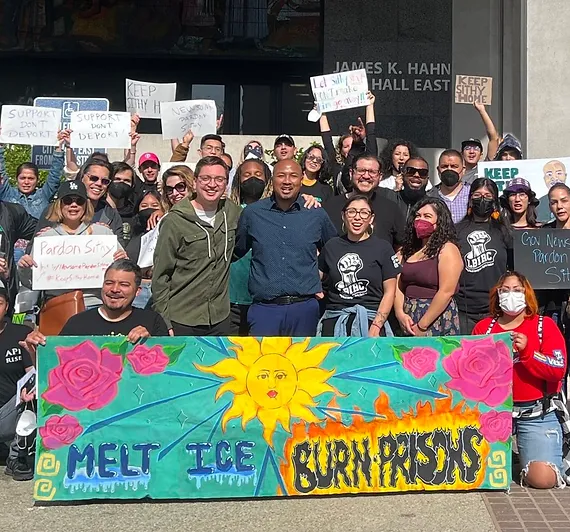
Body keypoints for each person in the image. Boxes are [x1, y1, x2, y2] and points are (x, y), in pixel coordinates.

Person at [473, 272, 568, 489]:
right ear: (497, 295)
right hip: (493, 413)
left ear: (527, 294)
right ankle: (512, 456)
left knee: (542, 479)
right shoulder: (484, 328)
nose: (510, 294)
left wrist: (528, 352)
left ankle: (546, 454)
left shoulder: (544, 326)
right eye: (505, 290)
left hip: (536, 413)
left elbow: (557, 369)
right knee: (476, 472)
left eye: (517, 290)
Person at [235, 159, 337, 336]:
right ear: (272, 179)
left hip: (304, 309)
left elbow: (335, 252)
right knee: (262, 363)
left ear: (302, 179)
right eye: (281, 176)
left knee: (303, 364)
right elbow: (236, 251)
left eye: (293, 176)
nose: (287, 181)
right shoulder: (253, 214)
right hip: (264, 310)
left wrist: (321, 281)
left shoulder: (315, 213)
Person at [152, 156, 241, 336]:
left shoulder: (233, 213)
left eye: (219, 179)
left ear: (226, 183)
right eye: (206, 178)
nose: (212, 184)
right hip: (182, 318)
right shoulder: (174, 221)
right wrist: (163, 320)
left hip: (220, 317)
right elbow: (161, 275)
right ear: (195, 182)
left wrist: (305, 199)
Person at [18, 181, 127, 310]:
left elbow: (124, 273)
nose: (74, 205)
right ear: (59, 205)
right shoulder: (45, 239)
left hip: (96, 305)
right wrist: (24, 268)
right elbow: (29, 283)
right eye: (68, 200)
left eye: (79, 201)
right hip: (57, 306)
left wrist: (123, 261)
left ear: (86, 205)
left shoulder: (103, 233)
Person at [23, 260, 168, 347]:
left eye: (124, 284)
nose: (115, 289)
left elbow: (170, 368)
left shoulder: (152, 321)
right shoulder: (77, 323)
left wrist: (151, 344)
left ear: (137, 291)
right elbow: (55, 366)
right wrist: (34, 351)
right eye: (109, 283)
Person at [317, 195, 400, 337]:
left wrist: (376, 325)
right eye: (352, 211)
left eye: (363, 212)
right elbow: (316, 277)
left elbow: (390, 292)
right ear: (343, 216)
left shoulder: (383, 248)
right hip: (335, 320)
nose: (357, 217)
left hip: (370, 321)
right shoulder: (331, 246)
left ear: (371, 218)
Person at [395, 197, 462, 336]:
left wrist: (422, 326)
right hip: (408, 318)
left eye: (427, 216)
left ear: (439, 222)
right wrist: (400, 314)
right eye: (418, 216)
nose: (421, 220)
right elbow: (397, 285)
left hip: (435, 318)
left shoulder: (447, 249)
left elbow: (446, 292)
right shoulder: (406, 251)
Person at [455, 178, 512, 334]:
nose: (482, 199)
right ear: (470, 198)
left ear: (494, 200)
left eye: (488, 195)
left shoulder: (504, 231)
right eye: (477, 194)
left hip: (496, 308)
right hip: (463, 310)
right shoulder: (456, 230)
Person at [228, 159, 273, 335]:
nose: (252, 178)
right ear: (238, 180)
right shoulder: (228, 210)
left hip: (263, 300)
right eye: (246, 175)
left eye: (257, 174)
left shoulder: (276, 211)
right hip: (232, 299)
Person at [323, 154, 405, 249]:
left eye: (372, 172)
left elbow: (401, 246)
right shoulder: (331, 206)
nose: (366, 176)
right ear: (351, 173)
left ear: (380, 176)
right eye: (361, 171)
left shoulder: (391, 209)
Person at [0, 283, 35, 481]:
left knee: (33, 391)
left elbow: (33, 373)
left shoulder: (21, 333)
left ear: (7, 307)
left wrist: (30, 387)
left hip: (9, 411)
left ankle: (17, 456)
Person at [0, 129, 67, 219]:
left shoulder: (43, 194)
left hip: (37, 233)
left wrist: (58, 147)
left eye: (31, 178)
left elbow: (55, 176)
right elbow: (1, 171)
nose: (26, 182)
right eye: (22, 178)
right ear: (17, 179)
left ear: (37, 180)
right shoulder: (7, 193)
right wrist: (1, 144)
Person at [319, 91, 377, 193]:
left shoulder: (369, 161)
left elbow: (371, 135)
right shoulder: (336, 167)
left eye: (352, 145)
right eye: (346, 146)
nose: (350, 149)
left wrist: (370, 105)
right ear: (341, 150)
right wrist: (321, 112)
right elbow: (327, 141)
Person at [126, 190, 165, 310]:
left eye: (155, 206)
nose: (149, 209)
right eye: (144, 206)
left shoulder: (168, 229)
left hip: (161, 289)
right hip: (138, 290)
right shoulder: (130, 232)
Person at [428, 149, 470, 223]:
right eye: (444, 166)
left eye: (454, 166)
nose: (449, 170)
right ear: (438, 170)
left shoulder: (472, 194)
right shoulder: (429, 196)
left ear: (463, 170)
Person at [107, 161, 137, 244]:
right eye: (117, 179)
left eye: (127, 181)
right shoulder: (97, 210)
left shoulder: (134, 212)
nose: (122, 183)